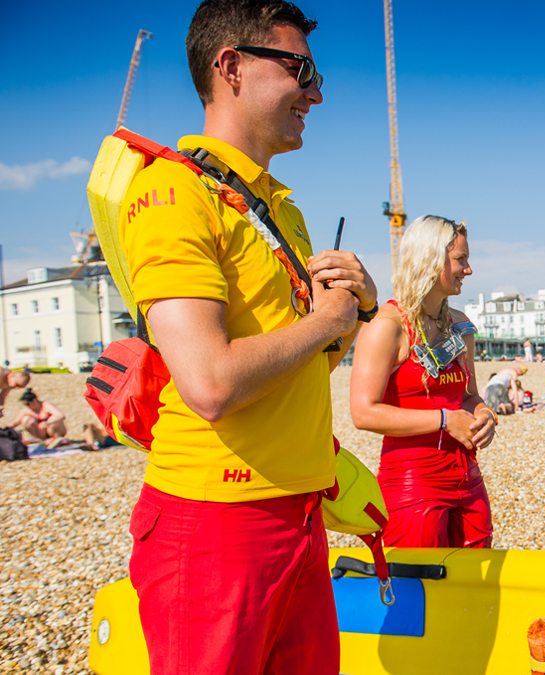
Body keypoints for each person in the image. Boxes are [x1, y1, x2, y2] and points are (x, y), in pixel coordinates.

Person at [119, 2, 377, 672]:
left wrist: (353, 312)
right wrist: (326, 321)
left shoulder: (277, 208)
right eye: (301, 68)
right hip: (214, 521)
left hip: (296, 516)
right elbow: (209, 382)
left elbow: (296, 369)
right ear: (230, 66)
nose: (317, 92)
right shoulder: (174, 193)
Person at [349, 216, 496, 549]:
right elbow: (363, 412)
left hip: (467, 477)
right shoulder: (387, 326)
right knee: (418, 588)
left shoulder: (460, 325)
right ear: (430, 259)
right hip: (413, 482)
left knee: (476, 583)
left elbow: (469, 394)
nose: (468, 270)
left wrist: (485, 413)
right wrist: (444, 420)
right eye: (461, 260)